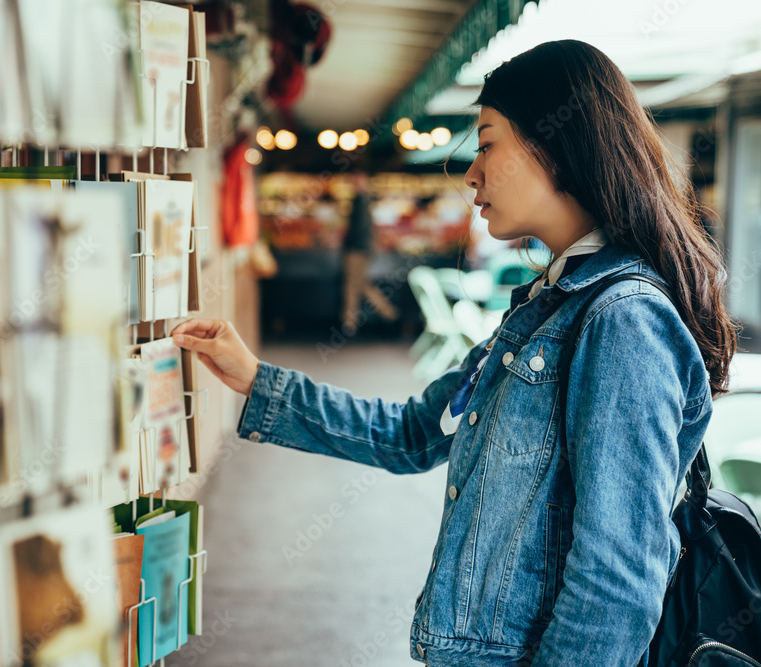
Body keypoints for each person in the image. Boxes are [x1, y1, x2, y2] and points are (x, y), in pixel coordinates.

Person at [171, 39, 739, 666]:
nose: (471, 172)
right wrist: (254, 379)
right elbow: (412, 433)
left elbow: (618, 580)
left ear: (556, 146)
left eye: (488, 143)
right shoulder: (545, 306)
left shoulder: (622, 321)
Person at [339, 170, 399, 331]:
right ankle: (388, 314)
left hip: (357, 249)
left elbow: (359, 228)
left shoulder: (361, 199)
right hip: (361, 248)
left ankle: (351, 322)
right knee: (360, 284)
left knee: (353, 285)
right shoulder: (364, 199)